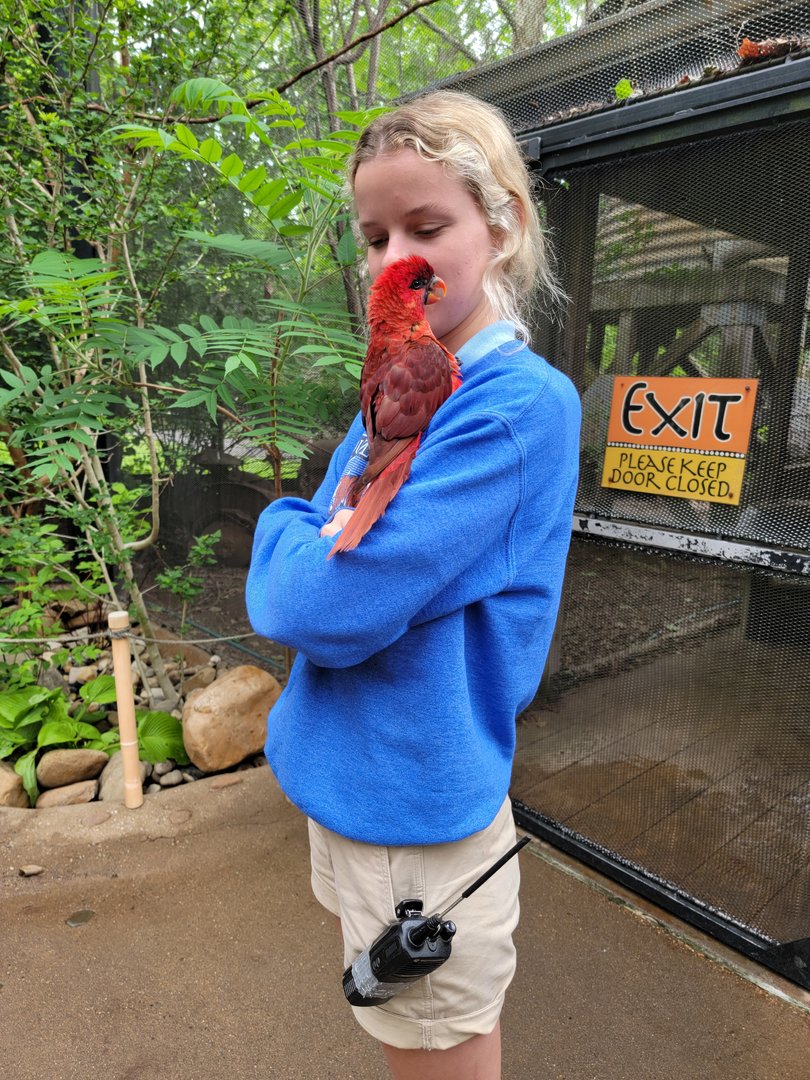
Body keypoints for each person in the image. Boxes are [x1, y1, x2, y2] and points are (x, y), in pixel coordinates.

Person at [246, 90, 581, 1080]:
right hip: (354, 786)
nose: (396, 258)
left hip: (415, 819)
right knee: (402, 1026)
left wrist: (281, 526)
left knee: (438, 1042)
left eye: (427, 226)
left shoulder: (514, 408)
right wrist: (309, 536)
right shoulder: (408, 376)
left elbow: (308, 602)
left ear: (504, 223)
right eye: (375, 233)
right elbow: (328, 550)